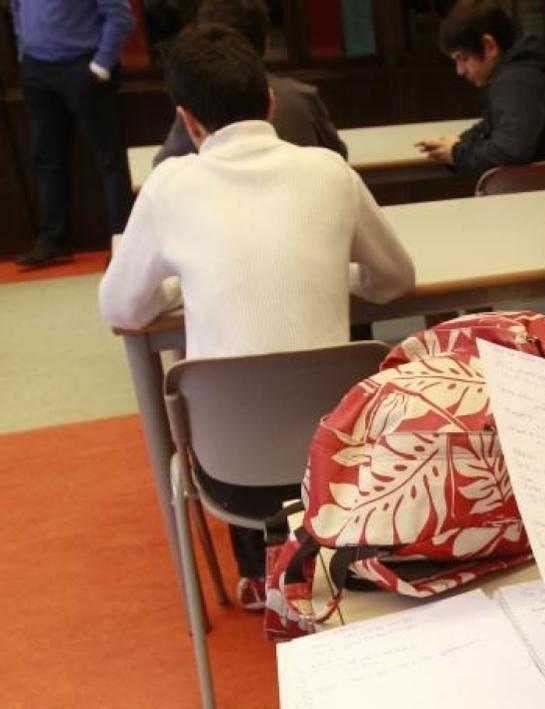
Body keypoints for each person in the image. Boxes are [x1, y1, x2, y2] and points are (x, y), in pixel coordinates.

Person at [98, 24, 414, 610]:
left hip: (230, 475)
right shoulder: (328, 171)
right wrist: (331, 273)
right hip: (342, 465)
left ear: (188, 120)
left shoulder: (170, 187)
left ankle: (255, 575)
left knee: (227, 409)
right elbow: (396, 280)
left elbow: (120, 307)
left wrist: (185, 286)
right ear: (269, 101)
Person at [11, 0, 135, 270]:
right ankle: (53, 239)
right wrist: (24, 51)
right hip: (36, 69)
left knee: (109, 159)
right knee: (45, 158)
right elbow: (16, 7)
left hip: (83, 66)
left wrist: (101, 64)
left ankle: (123, 241)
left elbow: (120, 16)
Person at [152, 0, 346, 166]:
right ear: (268, 42)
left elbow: (160, 168)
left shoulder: (198, 109)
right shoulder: (302, 99)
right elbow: (339, 157)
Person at [417, 0, 545, 181]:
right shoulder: (518, 72)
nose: (460, 71)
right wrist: (459, 145)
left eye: (463, 58)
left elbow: (507, 153)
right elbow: (490, 128)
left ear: (489, 46)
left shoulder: (516, 81)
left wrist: (458, 153)